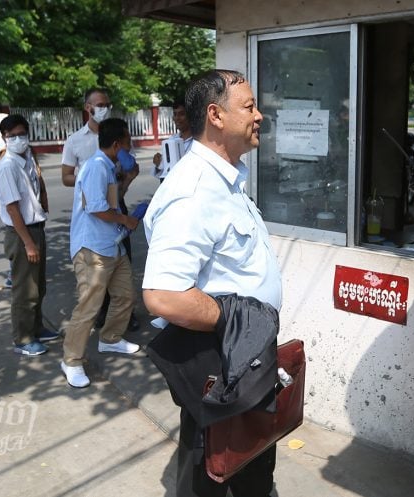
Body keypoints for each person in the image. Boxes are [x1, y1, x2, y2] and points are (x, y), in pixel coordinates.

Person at [142, 70, 282, 497]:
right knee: (210, 475)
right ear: (216, 115)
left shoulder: (228, 179)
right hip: (218, 366)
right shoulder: (194, 190)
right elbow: (164, 295)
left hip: (243, 359)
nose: (259, 115)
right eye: (249, 107)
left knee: (251, 468)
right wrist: (241, 318)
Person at [61, 118, 141, 388]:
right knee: (89, 306)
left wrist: (128, 177)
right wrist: (126, 220)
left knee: (126, 296)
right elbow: (96, 208)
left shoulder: (109, 166)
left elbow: (112, 200)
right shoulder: (95, 168)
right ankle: (71, 360)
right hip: (92, 249)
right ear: (117, 144)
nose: (132, 147)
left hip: (112, 245)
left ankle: (110, 339)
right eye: (129, 142)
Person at [0, 114, 60, 356]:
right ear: (4, 138)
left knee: (38, 286)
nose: (18, 139)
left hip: (35, 229)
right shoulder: (7, 167)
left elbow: (37, 184)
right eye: (12, 136)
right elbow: (12, 209)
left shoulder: (27, 156)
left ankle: (37, 328)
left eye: (22, 134)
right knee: (25, 290)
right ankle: (23, 338)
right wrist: (29, 244)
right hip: (22, 234)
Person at [156, 99, 194, 182]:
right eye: (175, 114)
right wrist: (158, 163)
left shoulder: (199, 140)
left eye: (181, 114)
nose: (177, 118)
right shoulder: (171, 140)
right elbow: (163, 169)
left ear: (191, 116)